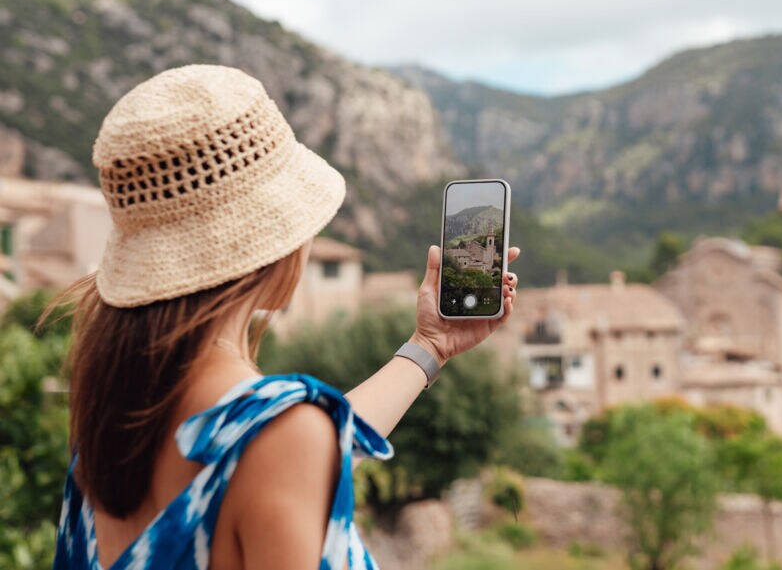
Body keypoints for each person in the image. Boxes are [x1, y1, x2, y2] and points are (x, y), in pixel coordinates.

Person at [50, 64, 519, 569]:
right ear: (269, 245)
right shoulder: (280, 436)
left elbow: (307, 443)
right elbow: (291, 446)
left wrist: (429, 347)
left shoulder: (109, 428)